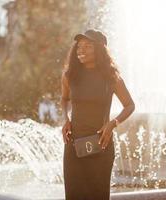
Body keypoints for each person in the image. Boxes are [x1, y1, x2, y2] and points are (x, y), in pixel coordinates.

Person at [60, 29, 135, 200]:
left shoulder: (111, 77)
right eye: (79, 46)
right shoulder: (70, 76)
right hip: (73, 145)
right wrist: (66, 119)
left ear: (100, 49)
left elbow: (130, 105)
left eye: (88, 46)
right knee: (74, 196)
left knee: (98, 195)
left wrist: (112, 123)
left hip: (101, 143)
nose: (81, 50)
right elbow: (64, 99)